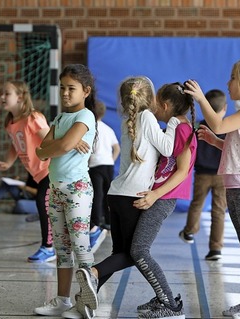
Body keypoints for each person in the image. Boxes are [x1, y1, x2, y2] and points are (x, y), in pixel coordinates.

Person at [73, 76, 179, 318]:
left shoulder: (126, 121)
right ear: (151, 99)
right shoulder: (147, 117)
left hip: (116, 194)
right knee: (133, 254)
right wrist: (173, 123)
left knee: (119, 252)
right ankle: (93, 273)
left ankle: (86, 295)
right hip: (134, 196)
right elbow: (168, 148)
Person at [184, 57, 240, 319]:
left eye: (233, 78)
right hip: (236, 184)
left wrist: (202, 98)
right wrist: (215, 142)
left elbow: (219, 124)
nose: (228, 83)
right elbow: (238, 147)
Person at [126, 82, 197, 318]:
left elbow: (183, 170)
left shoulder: (182, 129)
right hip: (158, 195)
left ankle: (170, 305)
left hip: (163, 198)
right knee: (137, 248)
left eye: (156, 102)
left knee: (139, 250)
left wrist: (156, 194)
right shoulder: (175, 127)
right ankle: (163, 297)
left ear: (165, 105)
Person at [33, 64, 97, 318]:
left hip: (77, 190)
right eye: (62, 88)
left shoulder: (86, 117)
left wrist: (63, 143)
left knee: (81, 246)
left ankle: (85, 302)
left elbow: (60, 146)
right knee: (61, 249)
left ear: (86, 91)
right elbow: (40, 151)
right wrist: (64, 143)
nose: (65, 93)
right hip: (56, 190)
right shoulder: (60, 119)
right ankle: (62, 300)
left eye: (71, 88)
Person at [0, 80, 54, 263]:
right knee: (58, 207)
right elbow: (15, 144)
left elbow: (50, 139)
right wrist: (8, 163)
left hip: (50, 169)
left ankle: (49, 247)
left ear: (20, 97)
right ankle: (91, 228)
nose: (2, 97)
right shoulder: (11, 122)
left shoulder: (33, 118)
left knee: (43, 204)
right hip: (37, 172)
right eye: (2, 93)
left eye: (7, 94)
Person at [179, 89, 228, 261]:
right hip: (223, 175)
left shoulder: (199, 127)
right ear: (225, 108)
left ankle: (189, 231)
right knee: (219, 210)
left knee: (197, 203)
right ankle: (216, 249)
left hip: (202, 174)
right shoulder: (228, 126)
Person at [87, 100, 118, 251]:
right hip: (108, 165)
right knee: (107, 194)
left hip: (95, 165)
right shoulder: (108, 128)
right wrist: (112, 159)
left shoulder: (90, 129)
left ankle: (95, 222)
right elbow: (116, 147)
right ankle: (109, 221)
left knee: (97, 194)